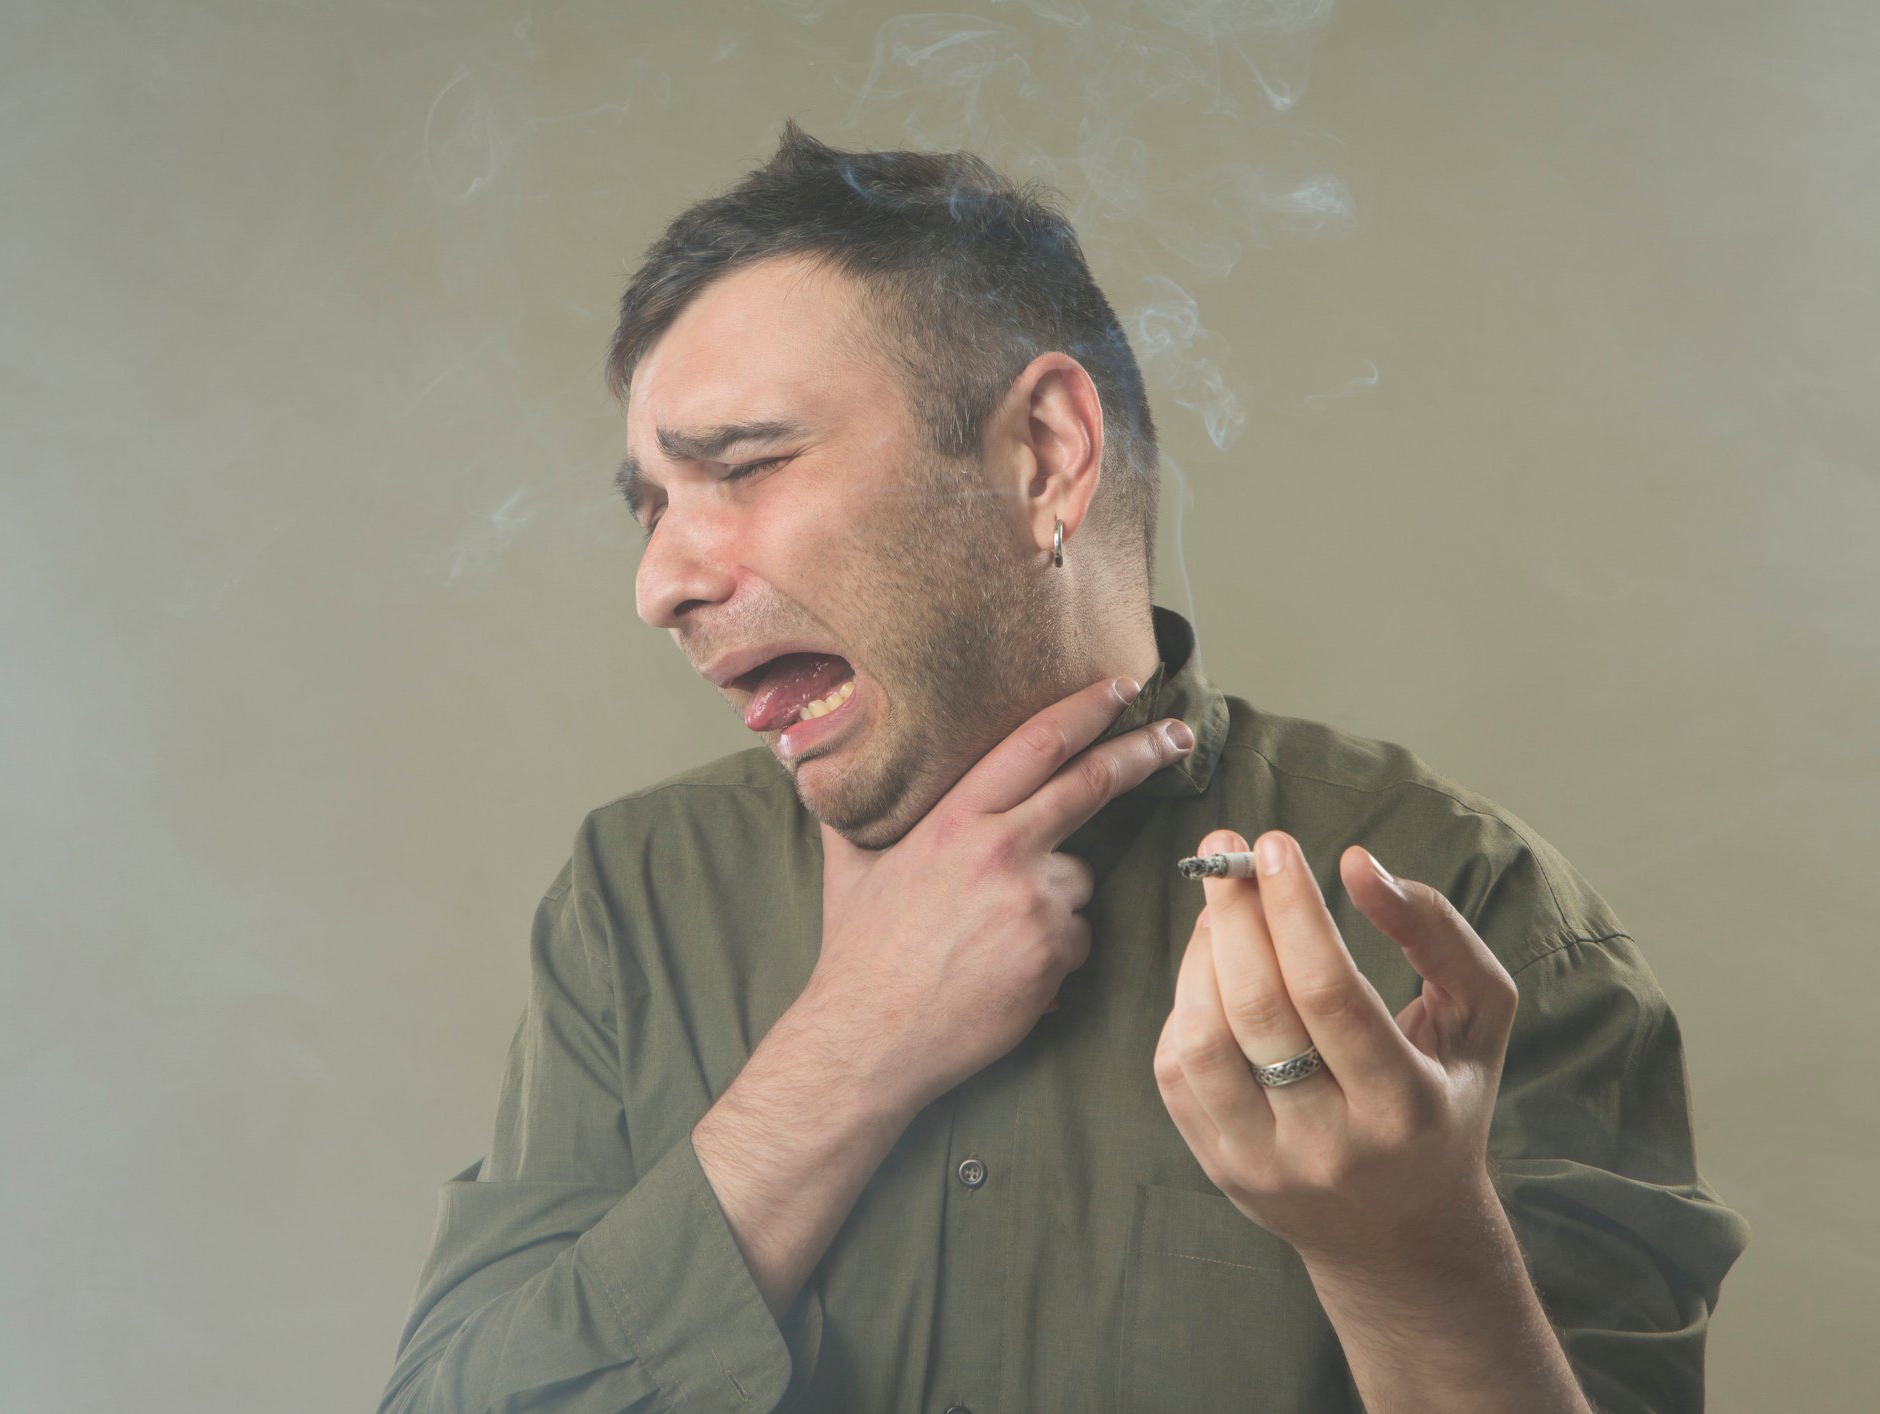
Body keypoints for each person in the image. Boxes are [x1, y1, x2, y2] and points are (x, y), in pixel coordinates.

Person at [380, 122, 1748, 1413]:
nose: (661, 581)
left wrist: (1409, 1254)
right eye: (652, 508)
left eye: (739, 466)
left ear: (1042, 455)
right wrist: (849, 1044)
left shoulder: (1456, 904)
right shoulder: (636, 898)